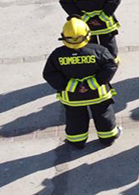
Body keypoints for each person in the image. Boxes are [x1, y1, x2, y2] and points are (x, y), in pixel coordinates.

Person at [42, 18, 120, 148]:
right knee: (103, 115)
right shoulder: (99, 50)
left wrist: (72, 86)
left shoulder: (57, 54)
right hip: (97, 95)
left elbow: (49, 74)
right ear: (88, 34)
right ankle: (108, 137)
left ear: (63, 36)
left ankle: (77, 141)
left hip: (72, 97)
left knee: (75, 119)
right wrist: (92, 83)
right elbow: (111, 66)